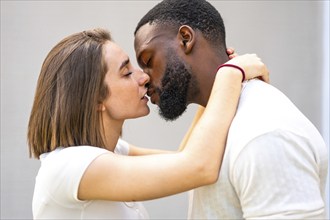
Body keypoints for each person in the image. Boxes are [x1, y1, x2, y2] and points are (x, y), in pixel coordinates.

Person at [27, 27, 268, 219]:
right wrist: (230, 74)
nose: (143, 77)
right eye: (126, 72)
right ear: (95, 98)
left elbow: (184, 158)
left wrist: (213, 85)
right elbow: (198, 167)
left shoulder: (111, 151)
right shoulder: (71, 166)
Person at [133, 0, 329, 219]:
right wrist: (228, 75)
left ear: (186, 39)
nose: (144, 78)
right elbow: (184, 161)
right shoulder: (218, 124)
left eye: (148, 60)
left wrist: (229, 74)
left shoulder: (264, 133)